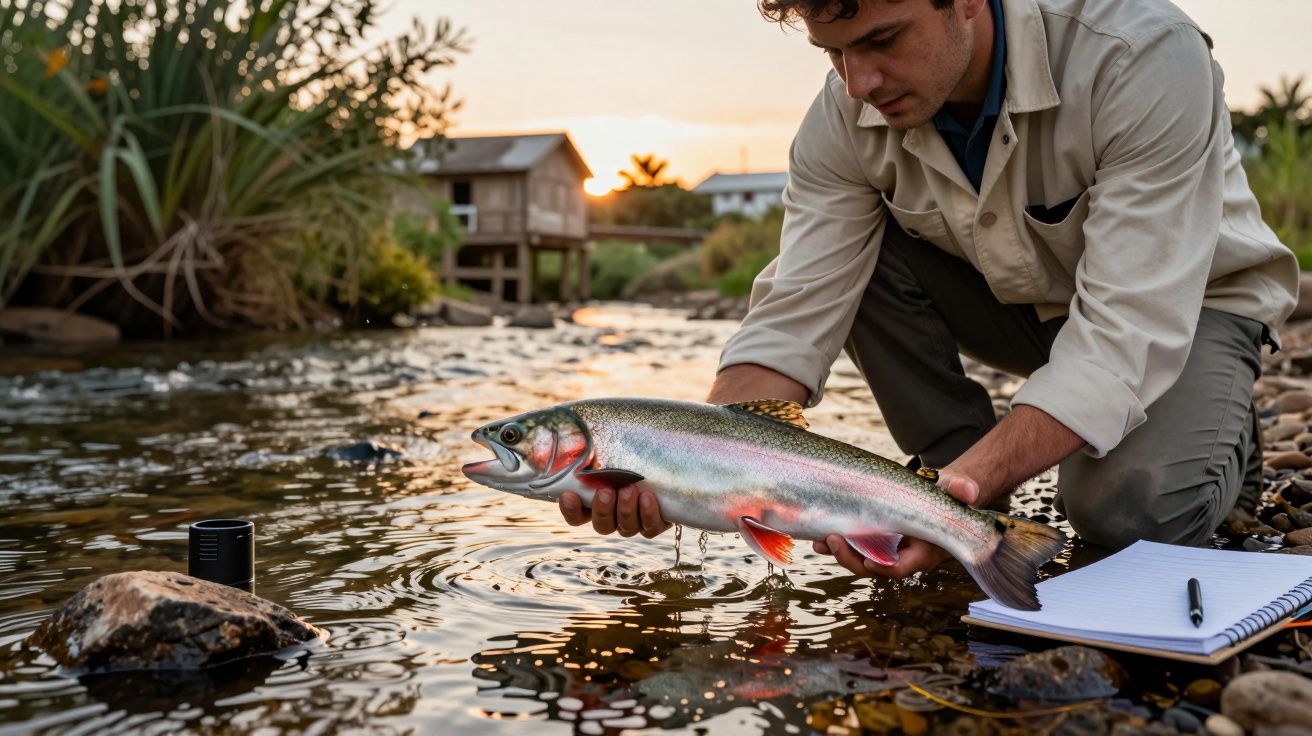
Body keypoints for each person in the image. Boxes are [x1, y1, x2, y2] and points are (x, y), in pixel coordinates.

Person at [558, 0, 1299, 583]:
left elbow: (1124, 335)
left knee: (1125, 513)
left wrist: (951, 504)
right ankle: (967, 488)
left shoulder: (1140, 56)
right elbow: (794, 315)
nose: (859, 83)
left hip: (1188, 309)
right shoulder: (840, 118)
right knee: (860, 257)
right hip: (1014, 311)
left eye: (882, 40)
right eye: (834, 52)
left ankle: (1216, 434)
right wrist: (682, 466)